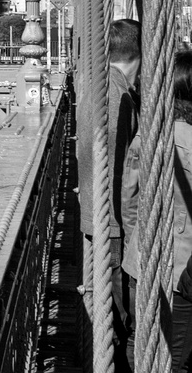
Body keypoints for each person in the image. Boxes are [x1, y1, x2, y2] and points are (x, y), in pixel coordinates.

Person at [121, 49, 192, 366]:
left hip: (143, 260)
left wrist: (133, 245)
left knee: (141, 341)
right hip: (182, 273)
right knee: (176, 356)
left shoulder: (146, 137)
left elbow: (130, 200)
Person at [79, 20, 142, 349]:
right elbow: (123, 178)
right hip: (114, 225)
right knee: (125, 324)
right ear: (142, 56)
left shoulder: (102, 87)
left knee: (112, 319)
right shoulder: (118, 99)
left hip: (100, 219)